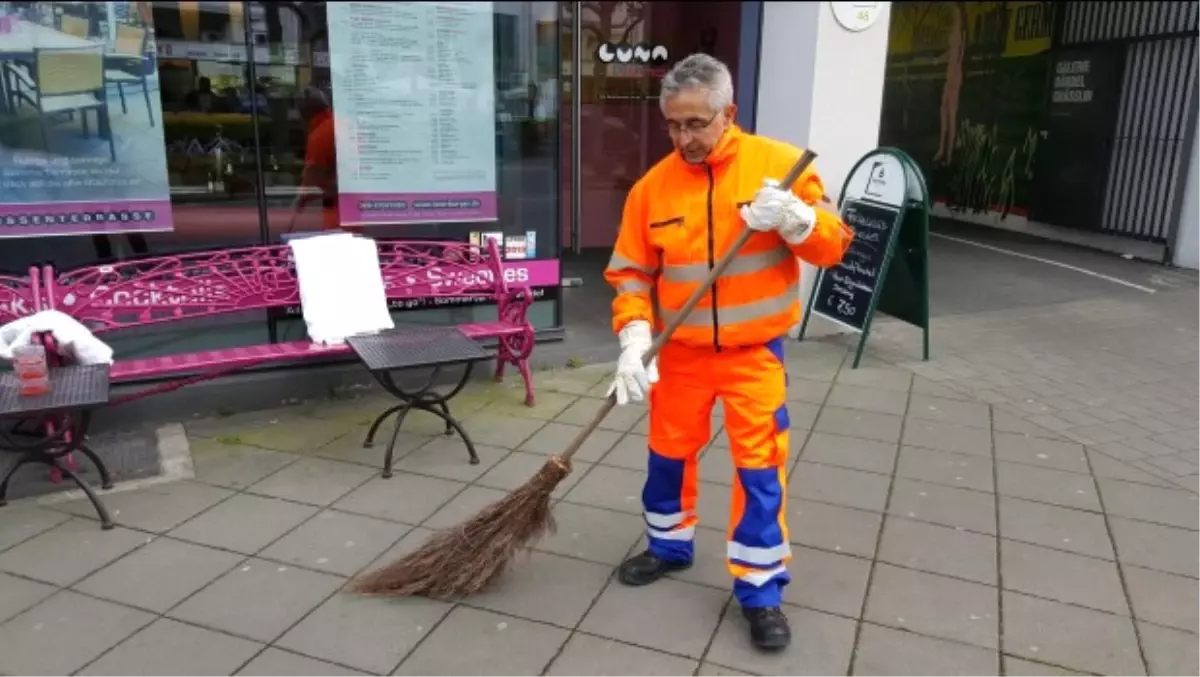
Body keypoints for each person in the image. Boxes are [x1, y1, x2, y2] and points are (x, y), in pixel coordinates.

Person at [603, 53, 853, 652]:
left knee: (760, 469)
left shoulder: (779, 168)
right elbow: (631, 272)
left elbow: (833, 245)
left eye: (695, 124)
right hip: (680, 353)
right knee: (667, 454)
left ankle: (761, 590)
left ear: (728, 113)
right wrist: (635, 335)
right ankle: (668, 545)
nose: (683, 138)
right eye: (673, 125)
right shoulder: (651, 188)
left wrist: (795, 219)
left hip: (753, 354)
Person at [290, 86, 340, 231]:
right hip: (355, 204)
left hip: (337, 205)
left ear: (305, 113)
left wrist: (300, 201)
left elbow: (313, 177)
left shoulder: (319, 135)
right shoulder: (339, 124)